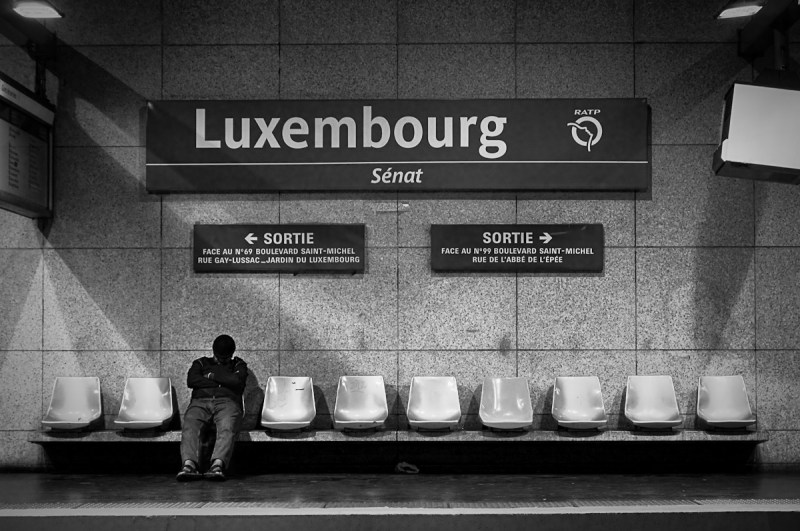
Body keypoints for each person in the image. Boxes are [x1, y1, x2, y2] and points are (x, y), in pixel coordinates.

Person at [176, 334, 247, 482]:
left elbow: (237, 382)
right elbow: (192, 380)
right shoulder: (201, 363)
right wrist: (224, 382)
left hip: (227, 402)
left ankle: (217, 465)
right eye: (219, 357)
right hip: (200, 401)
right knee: (190, 423)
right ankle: (189, 465)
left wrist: (211, 376)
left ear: (232, 354)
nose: (222, 360)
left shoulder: (238, 364)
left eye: (225, 358)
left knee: (227, 425)